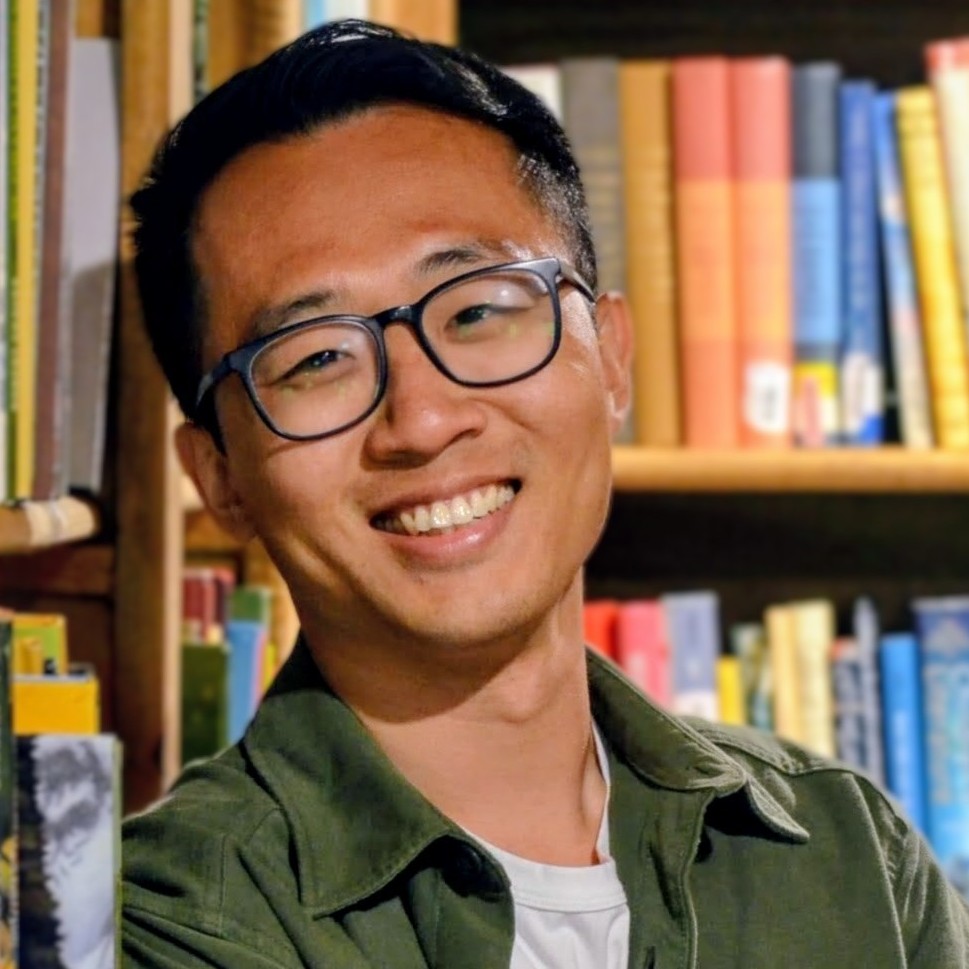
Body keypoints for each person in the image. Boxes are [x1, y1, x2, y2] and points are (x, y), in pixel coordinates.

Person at [121, 19, 969, 969]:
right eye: (315, 359)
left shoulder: (850, 857)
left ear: (611, 359)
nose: (422, 420)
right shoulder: (160, 924)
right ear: (219, 476)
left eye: (478, 309)